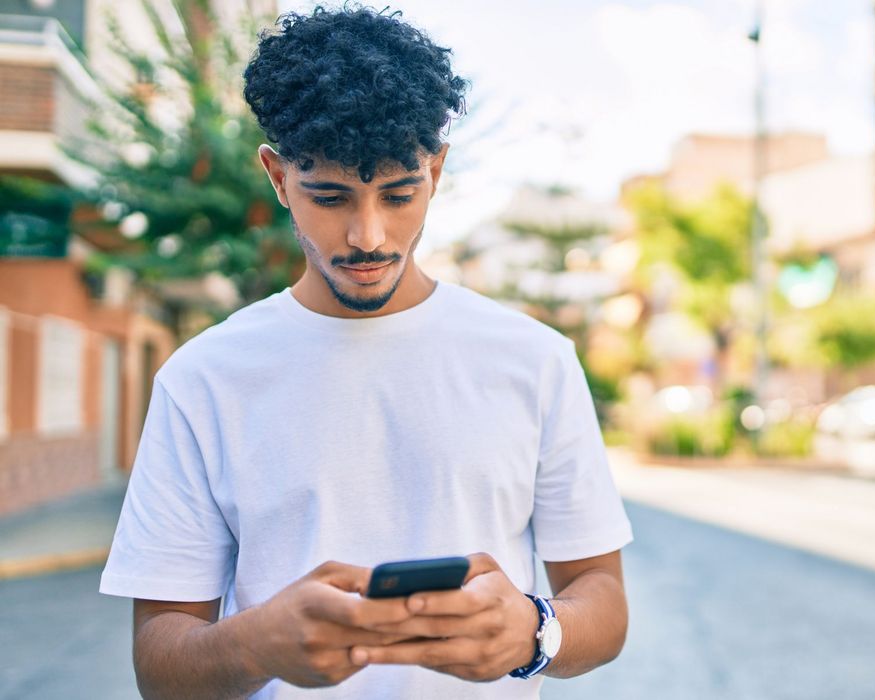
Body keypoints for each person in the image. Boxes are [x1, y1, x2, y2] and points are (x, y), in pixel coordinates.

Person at [98, 6, 633, 699]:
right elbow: (161, 665)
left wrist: (537, 631)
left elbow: (604, 602)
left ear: (436, 172)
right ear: (277, 177)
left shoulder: (535, 360)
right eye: (330, 196)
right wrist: (257, 641)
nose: (368, 235)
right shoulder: (202, 379)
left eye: (399, 193)